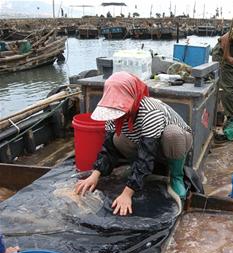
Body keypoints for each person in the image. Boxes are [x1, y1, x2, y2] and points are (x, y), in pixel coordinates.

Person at [75, 72, 193, 216]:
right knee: (116, 139)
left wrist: (127, 193)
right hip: (144, 143)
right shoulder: (113, 113)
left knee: (172, 134)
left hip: (172, 144)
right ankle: (139, 171)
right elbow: (108, 148)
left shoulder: (151, 112)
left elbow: (147, 153)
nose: (117, 111)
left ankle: (176, 176)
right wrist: (95, 174)